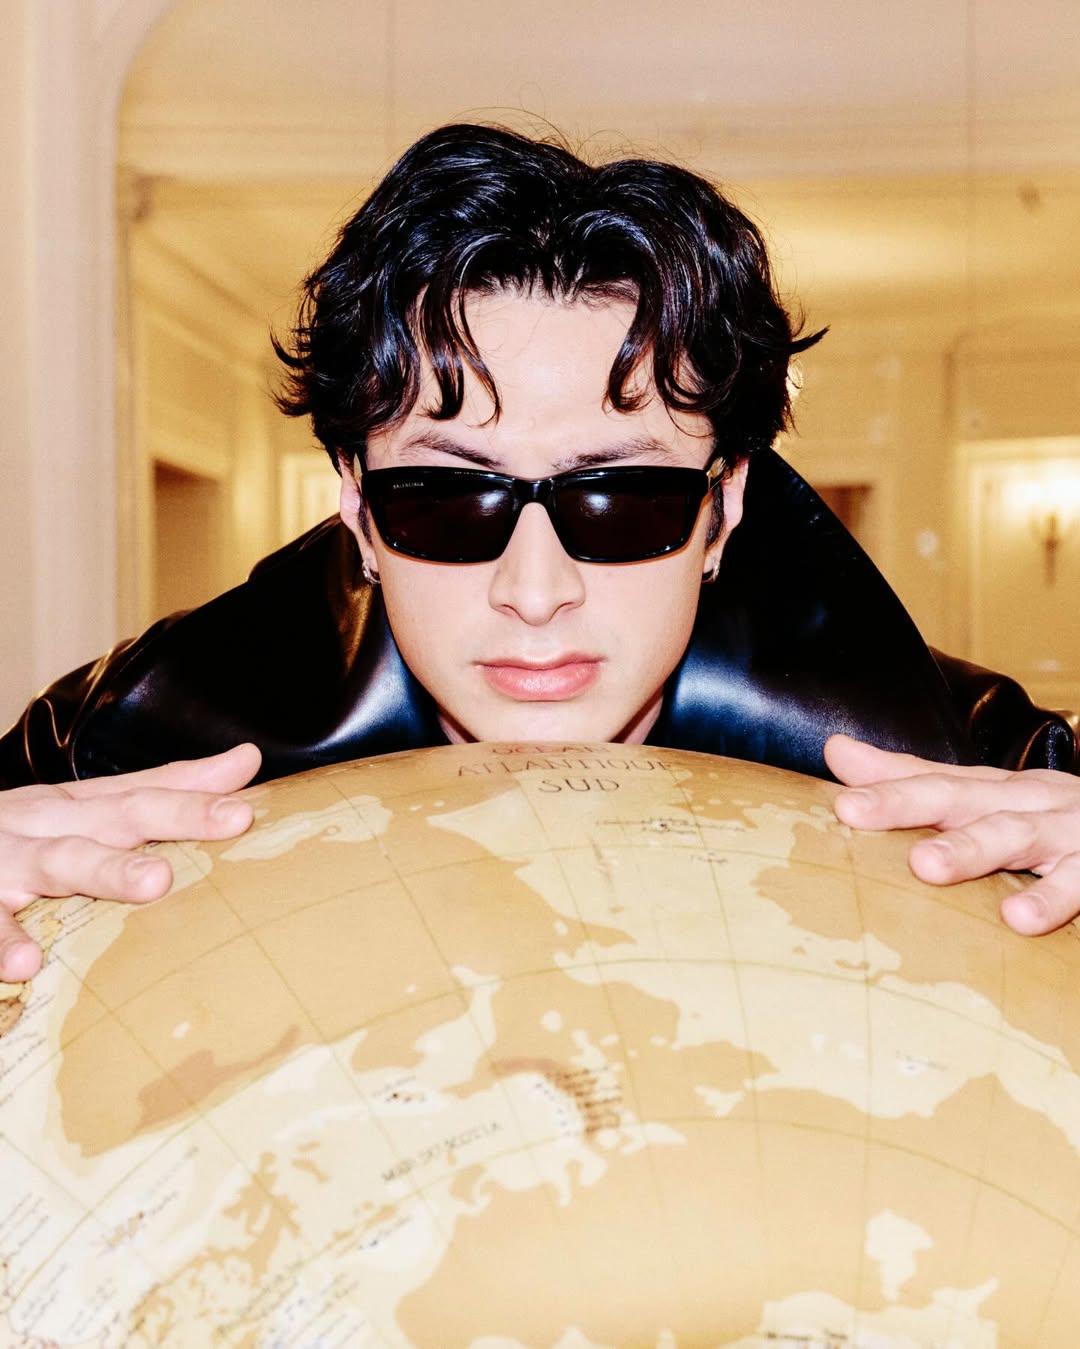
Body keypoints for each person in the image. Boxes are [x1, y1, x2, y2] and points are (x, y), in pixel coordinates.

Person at [1, 124, 1078, 984]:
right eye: (445, 501)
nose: (534, 591)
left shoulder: (970, 760)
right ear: (358, 510)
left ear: (726, 506)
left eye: (621, 501)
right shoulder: (117, 745)